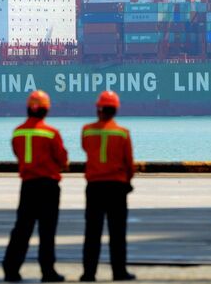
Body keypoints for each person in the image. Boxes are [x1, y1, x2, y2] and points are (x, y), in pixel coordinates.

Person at [3, 90, 68, 283]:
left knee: (22, 229)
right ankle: (48, 272)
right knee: (47, 231)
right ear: (46, 110)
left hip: (28, 186)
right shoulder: (51, 133)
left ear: (28, 108)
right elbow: (62, 160)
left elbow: (17, 152)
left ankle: (11, 269)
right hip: (48, 186)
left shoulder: (18, 132)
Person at [80, 90, 136, 282]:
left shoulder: (87, 130)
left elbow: (86, 148)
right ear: (116, 110)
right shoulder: (122, 133)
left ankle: (88, 274)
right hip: (116, 188)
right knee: (118, 234)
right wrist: (128, 182)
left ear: (98, 108)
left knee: (92, 233)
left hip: (94, 187)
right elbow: (129, 164)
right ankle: (119, 272)